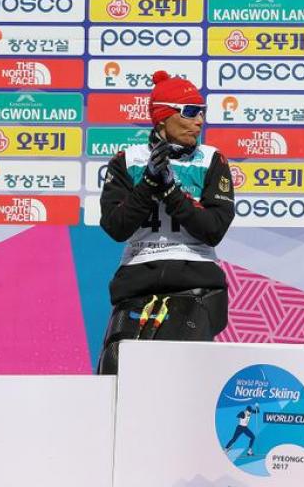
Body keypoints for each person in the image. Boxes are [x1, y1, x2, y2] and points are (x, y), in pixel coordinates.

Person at [96, 71, 235, 374]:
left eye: (202, 112)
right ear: (162, 117)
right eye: (189, 111)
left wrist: (171, 191)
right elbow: (116, 227)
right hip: (137, 280)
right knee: (116, 370)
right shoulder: (126, 161)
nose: (199, 120)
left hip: (195, 280)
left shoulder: (212, 160)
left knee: (176, 373)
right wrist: (147, 183)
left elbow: (213, 230)